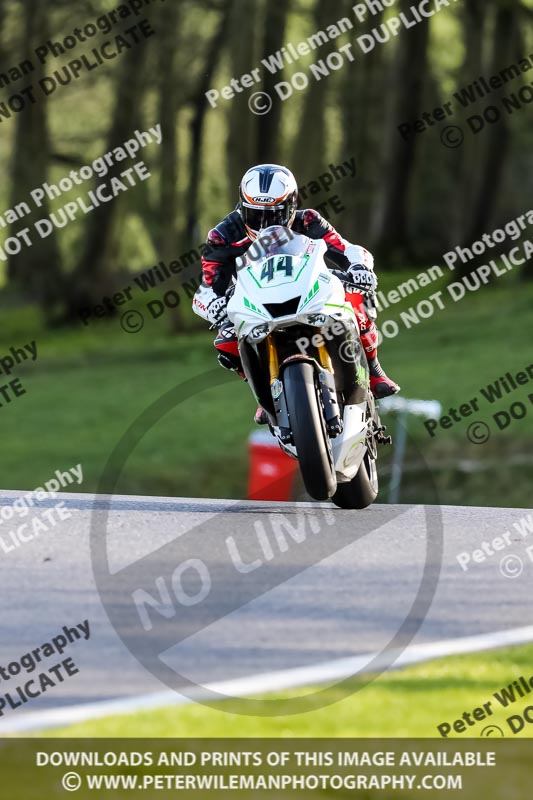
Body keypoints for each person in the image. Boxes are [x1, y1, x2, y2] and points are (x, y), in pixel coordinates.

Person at [193, 164, 400, 423]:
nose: (264, 224)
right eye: (255, 215)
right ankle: (265, 395)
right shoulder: (223, 235)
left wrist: (360, 268)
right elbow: (206, 287)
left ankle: (373, 370)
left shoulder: (309, 221)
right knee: (226, 341)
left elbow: (348, 249)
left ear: (292, 206)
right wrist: (213, 304)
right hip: (255, 300)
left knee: (358, 299)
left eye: (274, 215)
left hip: (309, 288)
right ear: (242, 206)